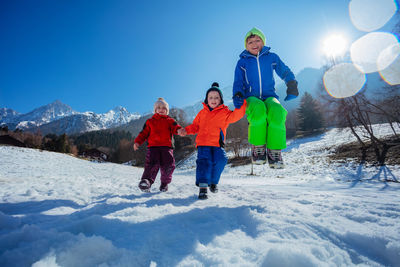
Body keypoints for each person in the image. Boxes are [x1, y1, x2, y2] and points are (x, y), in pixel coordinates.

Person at [232, 27, 299, 168]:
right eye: (250, 42)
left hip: (269, 96)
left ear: (263, 42)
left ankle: (274, 151)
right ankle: (258, 148)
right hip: (252, 97)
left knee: (278, 111)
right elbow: (238, 81)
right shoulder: (242, 62)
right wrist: (238, 94)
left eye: (257, 40)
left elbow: (284, 70)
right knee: (258, 110)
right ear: (246, 46)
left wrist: (291, 83)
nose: (254, 43)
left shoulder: (271, 57)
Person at [178, 82, 246, 199]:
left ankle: (213, 182)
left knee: (222, 159)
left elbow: (236, 115)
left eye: (216, 97)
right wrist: (186, 130)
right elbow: (195, 126)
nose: (213, 100)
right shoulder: (202, 113)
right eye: (211, 97)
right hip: (203, 143)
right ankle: (203, 187)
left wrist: (243, 103)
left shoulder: (225, 112)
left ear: (221, 99)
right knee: (204, 163)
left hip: (217, 144)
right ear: (206, 99)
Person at [134, 97, 182, 192]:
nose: (161, 110)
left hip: (167, 148)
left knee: (168, 165)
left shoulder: (170, 121)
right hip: (153, 148)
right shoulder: (150, 122)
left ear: (167, 111)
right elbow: (143, 133)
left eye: (164, 108)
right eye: (159, 107)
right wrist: (137, 141)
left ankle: (164, 184)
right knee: (151, 164)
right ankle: (146, 181)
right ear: (155, 110)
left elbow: (176, 127)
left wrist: (180, 130)